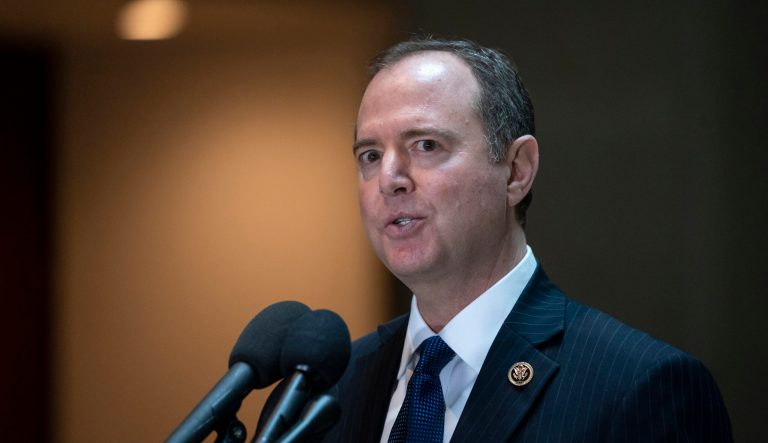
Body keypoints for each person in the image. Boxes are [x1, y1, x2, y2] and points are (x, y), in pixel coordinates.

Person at [320, 37, 733, 442]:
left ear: (517, 171)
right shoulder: (330, 390)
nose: (389, 180)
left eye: (426, 145)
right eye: (370, 156)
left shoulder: (641, 387)